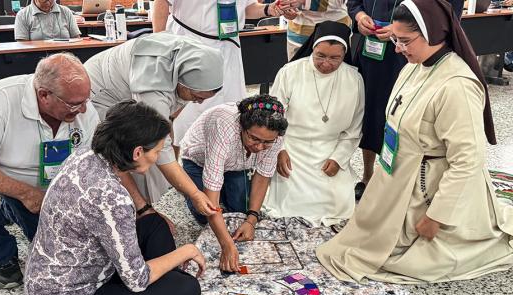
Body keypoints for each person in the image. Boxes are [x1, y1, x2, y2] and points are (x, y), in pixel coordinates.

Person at [315, 0, 512, 284]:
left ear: (432, 32)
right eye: (395, 39)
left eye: (405, 40)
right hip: (399, 175)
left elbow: (468, 160)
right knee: (360, 240)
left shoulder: (457, 85)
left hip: (429, 190)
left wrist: (436, 217)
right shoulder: (413, 66)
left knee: (406, 259)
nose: (397, 48)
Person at [25, 101, 211, 295]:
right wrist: (187, 250)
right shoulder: (112, 197)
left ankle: (164, 291)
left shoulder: (86, 154)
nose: (157, 158)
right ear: (137, 153)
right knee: (187, 289)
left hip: (62, 279)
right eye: (157, 151)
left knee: (154, 224)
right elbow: (137, 279)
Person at [0, 53, 99, 289]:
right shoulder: (0, 98)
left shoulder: (82, 105)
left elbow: (91, 164)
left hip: (47, 188)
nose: (83, 110)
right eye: (74, 104)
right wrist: (25, 193)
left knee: (57, 249)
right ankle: (5, 257)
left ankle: (11, 209)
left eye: (85, 101)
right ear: (44, 95)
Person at [84, 32, 224, 205]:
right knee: (133, 158)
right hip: (102, 94)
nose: (199, 102)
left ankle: (152, 207)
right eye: (196, 96)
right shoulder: (153, 85)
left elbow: (169, 120)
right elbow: (161, 146)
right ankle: (139, 211)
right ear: (181, 83)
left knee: (155, 162)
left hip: (131, 91)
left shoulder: (193, 61)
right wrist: (194, 194)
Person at [152, 0, 299, 156]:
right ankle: (174, 173)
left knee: (231, 114)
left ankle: (224, 168)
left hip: (229, 49)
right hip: (190, 45)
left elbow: (247, 8)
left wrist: (270, 9)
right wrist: (161, 44)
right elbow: (161, 2)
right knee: (183, 120)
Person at [263, 21, 364, 226]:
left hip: (330, 149)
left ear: (344, 54)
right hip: (292, 147)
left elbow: (354, 130)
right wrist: (279, 150)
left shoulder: (354, 78)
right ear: (312, 49)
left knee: (337, 204)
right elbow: (272, 118)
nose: (326, 63)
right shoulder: (290, 71)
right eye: (320, 56)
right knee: (286, 203)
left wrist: (339, 158)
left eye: (335, 58)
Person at [181, 94, 288, 272]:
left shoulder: (275, 134)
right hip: (197, 161)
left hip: (238, 164)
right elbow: (211, 200)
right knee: (203, 213)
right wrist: (227, 245)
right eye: (254, 138)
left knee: (239, 212)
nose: (260, 147)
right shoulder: (223, 126)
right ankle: (186, 182)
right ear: (242, 127)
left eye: (267, 142)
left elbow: (262, 176)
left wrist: (252, 218)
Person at [348, 0, 408, 200]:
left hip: (403, 55)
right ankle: (367, 175)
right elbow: (354, 4)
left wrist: (398, 29)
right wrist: (360, 18)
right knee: (370, 113)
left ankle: (391, 178)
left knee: (396, 116)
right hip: (370, 54)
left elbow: (429, 13)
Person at [284, 0, 351, 60]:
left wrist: (304, 1)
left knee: (333, 71)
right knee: (294, 71)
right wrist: (287, 8)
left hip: (333, 35)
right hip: (297, 37)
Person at [14, 0, 80, 41]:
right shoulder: (22, 15)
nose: (48, 2)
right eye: (44, 0)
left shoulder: (66, 11)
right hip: (36, 56)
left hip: (65, 55)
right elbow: (22, 44)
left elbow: (76, 38)